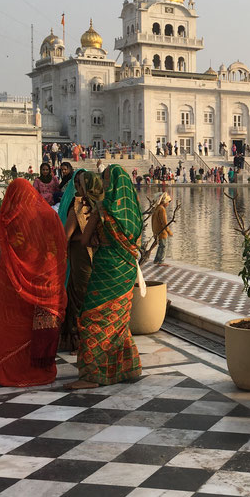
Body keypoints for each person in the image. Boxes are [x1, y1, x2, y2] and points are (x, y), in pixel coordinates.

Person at [0, 179, 67, 387]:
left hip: (12, 285)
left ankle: (11, 373)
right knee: (36, 327)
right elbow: (61, 249)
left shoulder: (2, 220)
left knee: (13, 329)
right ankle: (40, 371)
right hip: (46, 284)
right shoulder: (49, 217)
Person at [67, 165, 142, 390]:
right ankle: (125, 368)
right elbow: (135, 245)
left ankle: (92, 376)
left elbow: (84, 240)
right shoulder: (134, 215)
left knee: (93, 318)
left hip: (105, 268)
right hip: (127, 271)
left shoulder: (104, 210)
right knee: (118, 321)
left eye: (107, 180)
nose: (104, 183)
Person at [60, 171, 100, 353]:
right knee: (81, 294)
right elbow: (67, 235)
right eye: (76, 183)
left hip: (90, 254)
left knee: (85, 294)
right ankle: (78, 339)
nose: (78, 187)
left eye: (81, 183)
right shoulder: (81, 205)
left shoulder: (95, 205)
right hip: (83, 254)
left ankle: (85, 336)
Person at [152, 193, 172, 264]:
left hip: (156, 230)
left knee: (160, 245)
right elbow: (164, 222)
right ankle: (161, 261)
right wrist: (169, 231)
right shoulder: (162, 209)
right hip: (162, 232)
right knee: (163, 246)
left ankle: (156, 260)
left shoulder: (156, 208)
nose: (168, 204)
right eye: (168, 202)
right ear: (164, 202)